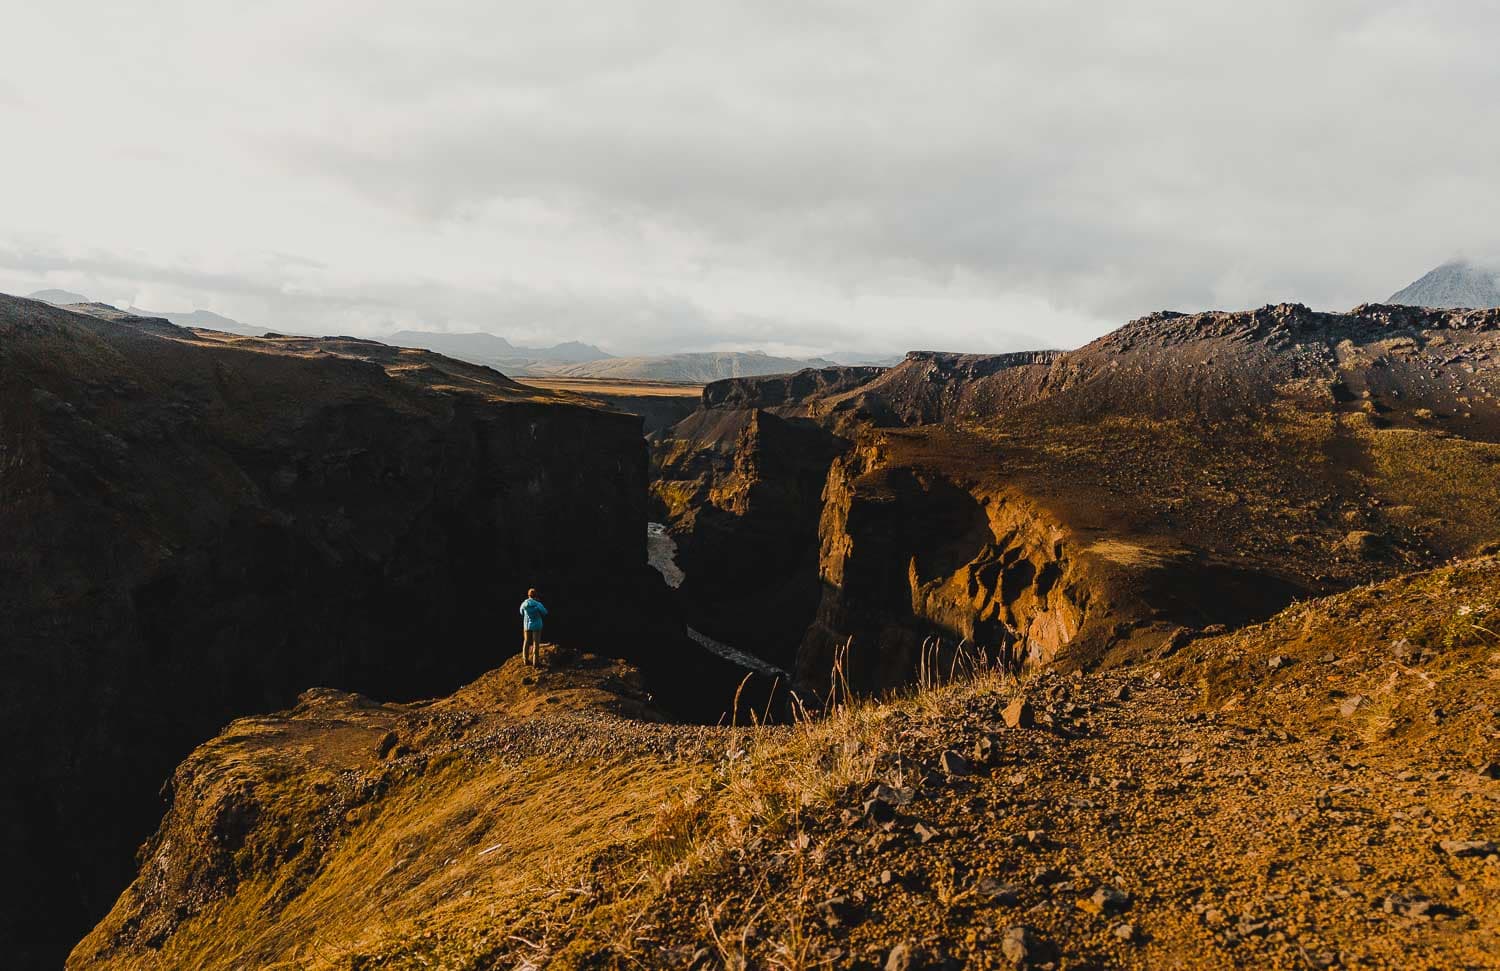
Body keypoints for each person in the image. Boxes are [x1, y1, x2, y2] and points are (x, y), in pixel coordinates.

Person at [519, 589, 548, 665]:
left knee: (526, 642)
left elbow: (521, 612)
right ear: (536, 595)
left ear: (528, 595)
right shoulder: (538, 604)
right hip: (537, 625)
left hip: (527, 625)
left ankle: (525, 660)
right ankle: (536, 662)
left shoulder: (524, 604)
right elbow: (545, 612)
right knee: (536, 643)